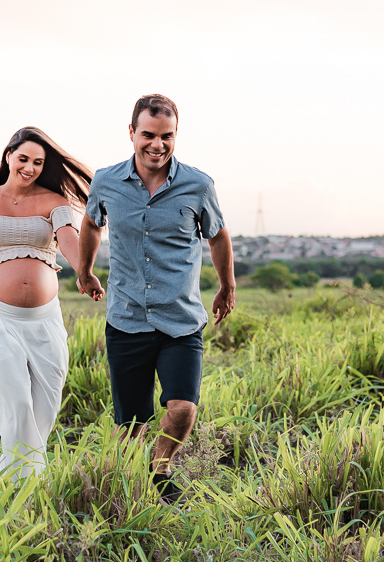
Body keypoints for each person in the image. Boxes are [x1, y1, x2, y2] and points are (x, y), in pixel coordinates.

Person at [76, 94, 235, 503]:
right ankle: (123, 492)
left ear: (175, 135)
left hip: (179, 319)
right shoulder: (106, 181)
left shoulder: (198, 185)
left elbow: (217, 235)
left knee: (182, 408)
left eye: (167, 136)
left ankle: (160, 469)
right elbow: (92, 224)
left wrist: (227, 286)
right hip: (126, 316)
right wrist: (85, 269)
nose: (157, 145)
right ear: (132, 133)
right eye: (148, 134)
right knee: (130, 426)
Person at [0, 126, 97, 479]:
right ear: (8, 156)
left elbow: (68, 240)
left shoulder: (54, 201)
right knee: (17, 404)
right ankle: (21, 489)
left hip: (44, 319)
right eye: (24, 159)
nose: (30, 167)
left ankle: (24, 478)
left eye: (38, 162)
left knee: (46, 405)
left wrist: (84, 271)